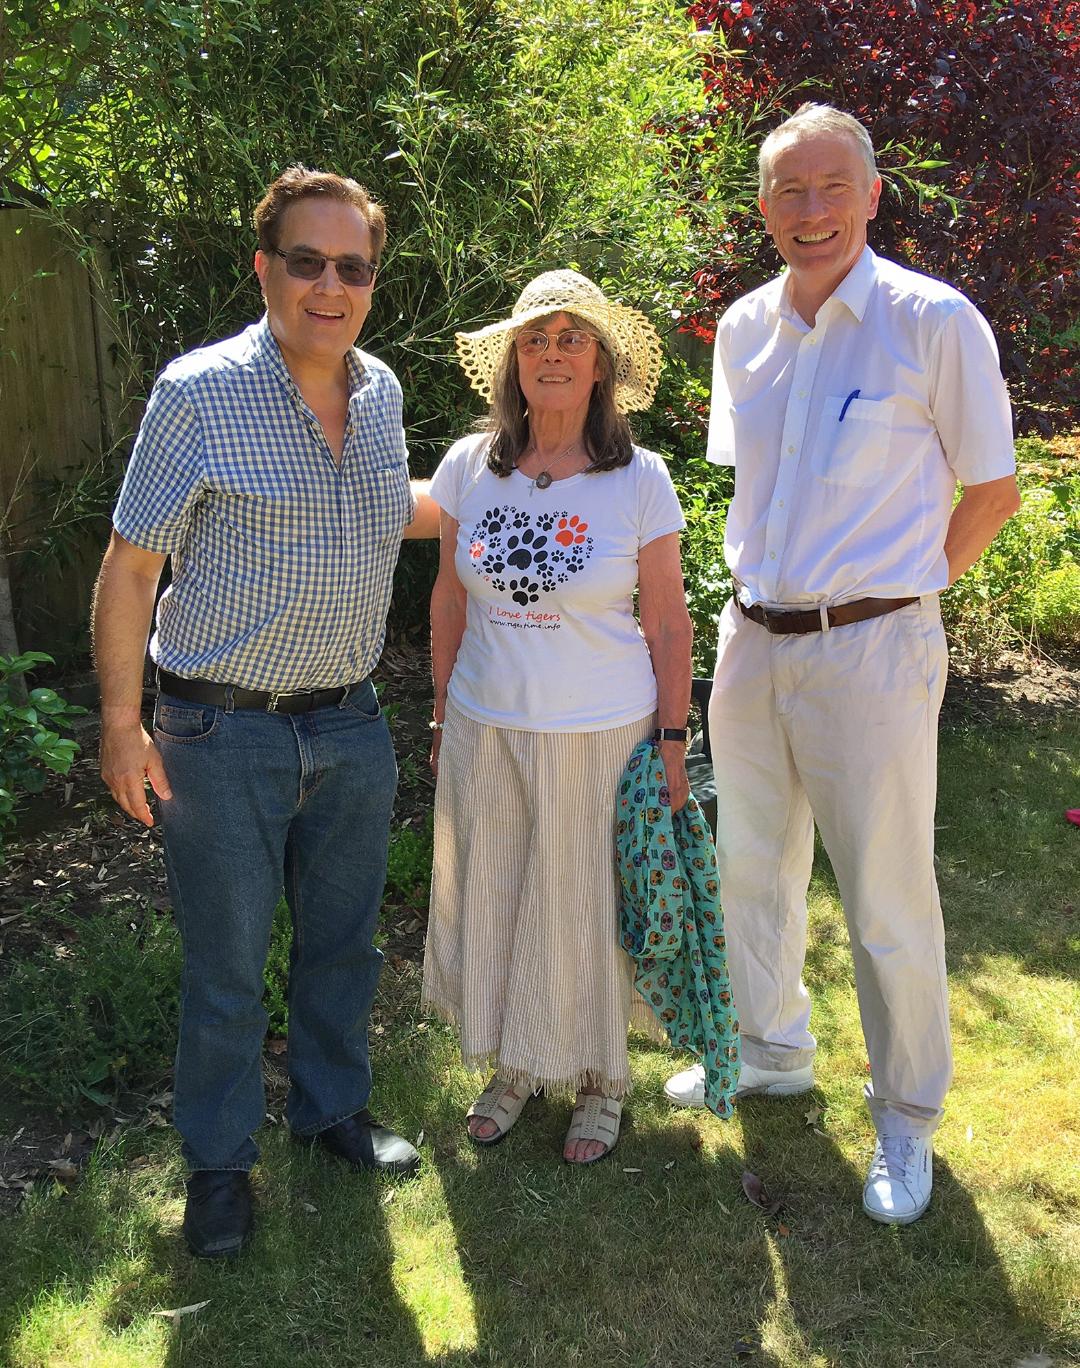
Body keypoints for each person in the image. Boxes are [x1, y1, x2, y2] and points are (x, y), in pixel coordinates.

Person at [664, 104, 1020, 1224]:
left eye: (831, 188)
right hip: (754, 642)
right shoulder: (744, 330)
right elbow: (760, 490)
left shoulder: (933, 321)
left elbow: (994, 490)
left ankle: (906, 1118)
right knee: (750, 868)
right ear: (763, 207)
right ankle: (773, 1050)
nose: (809, 211)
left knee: (884, 895)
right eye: (787, 191)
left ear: (872, 195)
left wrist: (910, 593)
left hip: (876, 646)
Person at [93, 166, 439, 1259]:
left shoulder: (380, 392)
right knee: (229, 964)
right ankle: (219, 1162)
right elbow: (130, 563)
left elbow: (407, 509)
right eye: (308, 262)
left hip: (349, 723)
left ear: (370, 284)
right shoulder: (198, 392)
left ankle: (333, 1109)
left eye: (353, 268)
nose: (329, 286)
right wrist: (119, 721)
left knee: (344, 946)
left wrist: (544, 483)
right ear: (265, 268)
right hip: (218, 731)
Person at [423, 269, 693, 1164]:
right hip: (484, 724)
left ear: (602, 365)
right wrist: (439, 713)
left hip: (600, 733)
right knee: (498, 895)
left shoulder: (639, 479)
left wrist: (671, 740)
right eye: (535, 337)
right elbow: (448, 602)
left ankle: (601, 1081)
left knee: (583, 909)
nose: (551, 352)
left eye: (572, 337)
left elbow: (665, 620)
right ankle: (512, 1070)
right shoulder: (471, 465)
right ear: (512, 361)